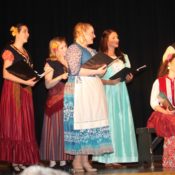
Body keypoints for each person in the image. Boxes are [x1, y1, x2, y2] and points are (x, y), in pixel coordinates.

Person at [63, 22, 113, 173]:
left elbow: (98, 72)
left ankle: (85, 160)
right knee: (81, 123)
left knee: (90, 124)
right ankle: (77, 161)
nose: (94, 35)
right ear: (82, 32)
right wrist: (95, 71)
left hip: (92, 90)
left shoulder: (91, 51)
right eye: (91, 32)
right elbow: (74, 70)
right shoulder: (73, 48)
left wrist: (102, 70)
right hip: (80, 90)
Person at [92, 29, 138, 167]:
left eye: (117, 37)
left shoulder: (124, 56)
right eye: (114, 37)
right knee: (110, 123)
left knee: (121, 122)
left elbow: (128, 76)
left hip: (121, 93)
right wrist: (109, 82)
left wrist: (129, 78)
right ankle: (107, 159)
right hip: (107, 92)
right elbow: (94, 78)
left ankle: (120, 155)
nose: (117, 39)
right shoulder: (100, 57)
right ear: (106, 40)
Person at [0, 24, 40, 173]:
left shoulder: (25, 52)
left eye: (28, 31)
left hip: (25, 91)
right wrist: (25, 81)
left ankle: (21, 159)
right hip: (13, 90)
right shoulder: (9, 50)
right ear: (16, 33)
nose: (28, 34)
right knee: (15, 123)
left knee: (24, 124)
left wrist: (34, 77)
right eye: (25, 31)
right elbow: (5, 74)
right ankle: (14, 160)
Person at [39, 37, 73, 170]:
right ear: (55, 50)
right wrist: (60, 77)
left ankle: (64, 159)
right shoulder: (50, 63)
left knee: (64, 131)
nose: (65, 49)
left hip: (68, 100)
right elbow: (47, 84)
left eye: (66, 46)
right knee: (54, 131)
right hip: (55, 101)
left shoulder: (68, 63)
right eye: (62, 47)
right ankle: (53, 160)